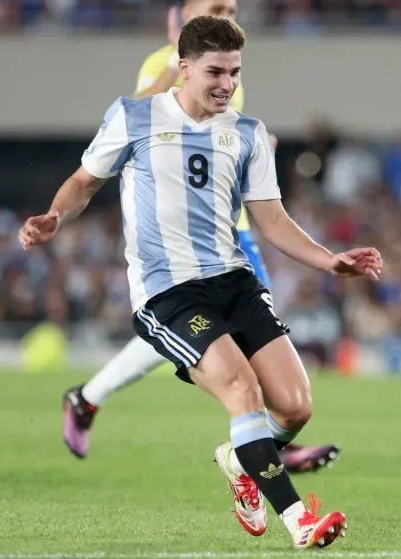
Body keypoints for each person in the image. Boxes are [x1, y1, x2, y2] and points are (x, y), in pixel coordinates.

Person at [20, 16, 382, 548]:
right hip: (168, 292)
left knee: (296, 406)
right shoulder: (134, 117)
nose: (227, 84)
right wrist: (54, 217)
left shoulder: (248, 134)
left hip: (234, 280)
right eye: (215, 72)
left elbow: (273, 220)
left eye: (235, 72)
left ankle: (242, 459)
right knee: (242, 389)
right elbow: (83, 182)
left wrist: (331, 262)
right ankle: (300, 522)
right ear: (183, 69)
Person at [61, 0, 342, 478]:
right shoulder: (169, 62)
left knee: (228, 333)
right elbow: (143, 117)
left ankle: (263, 439)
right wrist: (174, 61)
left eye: (231, 7)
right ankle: (260, 448)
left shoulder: (229, 73)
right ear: (182, 17)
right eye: (215, 7)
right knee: (201, 333)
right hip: (188, 237)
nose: (228, 14)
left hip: (234, 229)